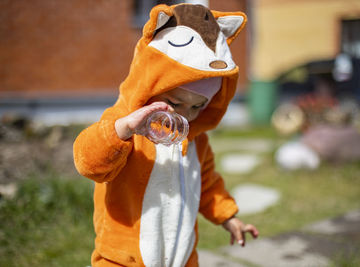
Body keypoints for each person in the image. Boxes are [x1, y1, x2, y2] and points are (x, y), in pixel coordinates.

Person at [73, 3, 258, 267]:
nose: (186, 114)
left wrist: (229, 217)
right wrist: (123, 130)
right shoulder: (124, 128)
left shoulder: (197, 141)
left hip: (181, 257)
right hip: (123, 258)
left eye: (198, 106)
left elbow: (207, 185)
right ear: (150, 88)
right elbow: (89, 163)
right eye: (175, 101)